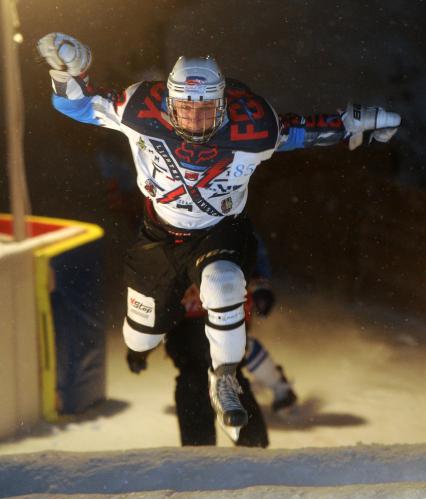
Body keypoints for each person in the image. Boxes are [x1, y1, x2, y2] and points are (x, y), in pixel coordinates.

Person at [37, 33, 401, 436]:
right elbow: (75, 105)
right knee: (140, 339)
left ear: (224, 103)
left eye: (206, 109)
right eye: (186, 109)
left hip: (219, 230)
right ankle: (162, 344)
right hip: (159, 236)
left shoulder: (253, 126)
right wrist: (70, 73)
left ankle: (224, 376)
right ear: (168, 102)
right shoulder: (140, 108)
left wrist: (357, 123)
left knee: (224, 283)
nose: (194, 120)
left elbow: (302, 130)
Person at [127, 233, 296, 446]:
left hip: (221, 303)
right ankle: (206, 456)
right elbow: (151, 295)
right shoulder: (164, 231)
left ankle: (250, 449)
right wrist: (141, 343)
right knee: (198, 377)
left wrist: (261, 284)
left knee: (230, 364)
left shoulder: (221, 218)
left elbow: (248, 243)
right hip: (185, 320)